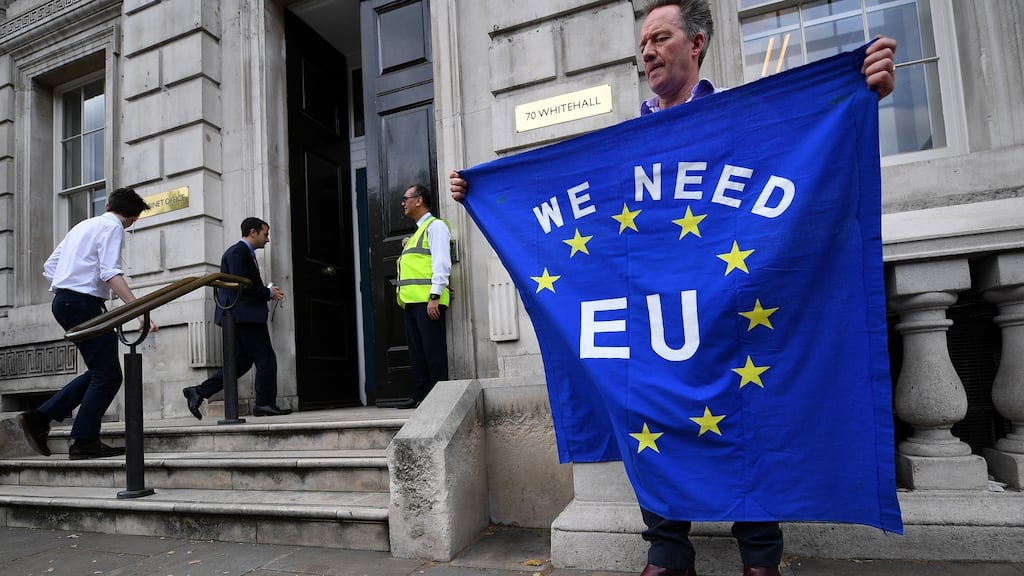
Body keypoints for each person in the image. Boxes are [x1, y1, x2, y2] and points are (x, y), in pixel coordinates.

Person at [449, 1, 898, 575]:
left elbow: (809, 148)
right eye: (642, 44)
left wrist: (858, 96)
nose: (648, 52)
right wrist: (488, 192)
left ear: (697, 44)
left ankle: (760, 553)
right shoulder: (629, 140)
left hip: (732, 312)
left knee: (747, 413)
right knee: (646, 416)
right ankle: (667, 551)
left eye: (660, 38)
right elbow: (564, 201)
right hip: (654, 321)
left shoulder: (744, 119)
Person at [17, 186, 158, 460]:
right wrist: (141, 310)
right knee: (108, 375)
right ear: (132, 218)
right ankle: (83, 441)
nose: (130, 226)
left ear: (107, 205)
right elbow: (110, 273)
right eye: (133, 222)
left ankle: (41, 418)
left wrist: (70, 283)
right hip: (83, 304)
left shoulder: (83, 225)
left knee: (99, 371)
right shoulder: (115, 228)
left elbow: (49, 266)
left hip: (63, 302)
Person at [182, 217, 291, 418]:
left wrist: (265, 291)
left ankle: (198, 392)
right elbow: (245, 284)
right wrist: (267, 293)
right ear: (253, 232)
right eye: (265, 234)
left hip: (239, 315)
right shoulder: (238, 252)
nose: (267, 239)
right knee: (266, 359)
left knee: (241, 363)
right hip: (243, 316)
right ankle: (264, 404)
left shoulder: (241, 253)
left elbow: (243, 283)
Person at [394, 183, 451, 410]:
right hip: (412, 302)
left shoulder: (435, 227)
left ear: (419, 200)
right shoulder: (418, 232)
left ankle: (437, 398)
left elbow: (441, 262)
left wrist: (435, 295)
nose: (403, 203)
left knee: (432, 350)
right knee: (417, 351)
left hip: (429, 302)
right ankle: (420, 394)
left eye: (405, 198)